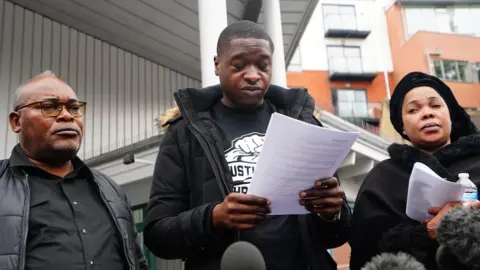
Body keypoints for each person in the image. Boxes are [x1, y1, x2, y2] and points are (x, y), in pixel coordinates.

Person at [143, 21, 351, 270]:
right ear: (217, 65)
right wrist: (213, 218)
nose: (253, 75)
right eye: (240, 65)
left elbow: (337, 235)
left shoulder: (304, 123)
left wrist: (332, 213)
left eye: (263, 65)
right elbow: (157, 235)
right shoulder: (184, 133)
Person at [0, 71, 148, 270]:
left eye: (74, 108)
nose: (67, 115)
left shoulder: (110, 191)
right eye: (49, 107)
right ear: (16, 121)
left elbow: (137, 262)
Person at [349, 71, 480, 270]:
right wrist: (427, 231)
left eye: (435, 105)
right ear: (402, 127)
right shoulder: (382, 178)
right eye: (413, 110)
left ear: (450, 115)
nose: (427, 113)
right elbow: (366, 247)